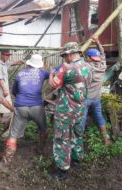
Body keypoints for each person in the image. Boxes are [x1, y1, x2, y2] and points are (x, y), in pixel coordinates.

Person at [0, 54, 49, 170]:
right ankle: (41, 149)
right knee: (43, 130)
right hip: (37, 107)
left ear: (28, 63)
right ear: (40, 65)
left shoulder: (20, 74)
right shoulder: (43, 73)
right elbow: (54, 76)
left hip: (21, 107)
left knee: (13, 135)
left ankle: (6, 163)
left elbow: (14, 91)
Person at [49, 42, 92, 181]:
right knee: (77, 135)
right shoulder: (88, 67)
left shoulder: (66, 68)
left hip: (65, 111)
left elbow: (54, 84)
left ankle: (62, 170)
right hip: (80, 109)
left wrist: (51, 74)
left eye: (64, 56)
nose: (64, 59)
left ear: (69, 54)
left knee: (62, 139)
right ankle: (76, 160)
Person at [82, 36, 111, 145]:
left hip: (86, 98)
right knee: (99, 117)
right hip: (96, 99)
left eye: (87, 57)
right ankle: (106, 139)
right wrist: (98, 42)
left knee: (82, 119)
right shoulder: (103, 66)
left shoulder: (87, 67)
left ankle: (78, 141)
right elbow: (102, 55)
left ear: (89, 58)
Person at [0, 50, 24, 121]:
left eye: (9, 55)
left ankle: (2, 120)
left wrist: (22, 61)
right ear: (2, 55)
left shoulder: (5, 63)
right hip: (1, 89)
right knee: (2, 105)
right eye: (6, 55)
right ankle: (0, 120)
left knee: (4, 105)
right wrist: (4, 90)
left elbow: (13, 63)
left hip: (5, 88)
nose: (8, 57)